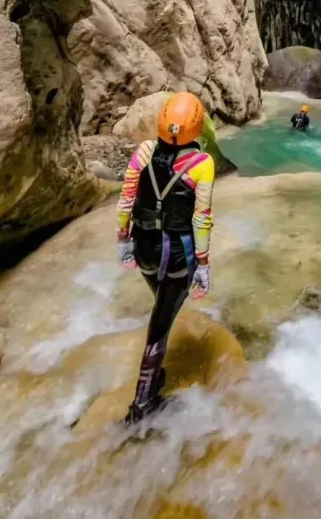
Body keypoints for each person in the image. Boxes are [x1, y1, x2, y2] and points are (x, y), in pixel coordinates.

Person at [117, 91, 215, 424]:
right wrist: (202, 263)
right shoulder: (202, 164)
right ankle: (143, 403)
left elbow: (126, 200)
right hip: (177, 255)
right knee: (162, 320)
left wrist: (122, 241)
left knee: (162, 304)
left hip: (143, 247)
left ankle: (153, 377)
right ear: (197, 127)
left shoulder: (143, 151)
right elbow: (202, 218)